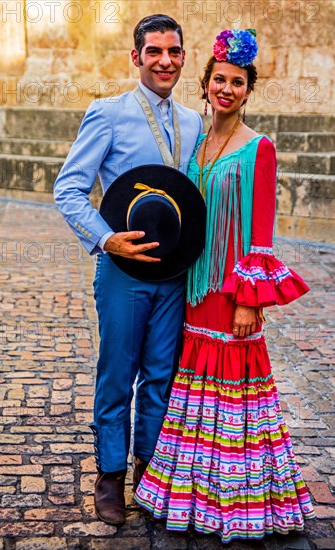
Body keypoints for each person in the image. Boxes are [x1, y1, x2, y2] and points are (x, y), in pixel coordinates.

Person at [135, 29, 315, 543]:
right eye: (220, 80)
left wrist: (247, 301)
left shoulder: (259, 148)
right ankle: (189, 496)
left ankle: (240, 503)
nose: (227, 89)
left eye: (237, 82)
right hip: (194, 285)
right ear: (206, 84)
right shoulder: (198, 142)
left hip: (231, 289)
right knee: (193, 388)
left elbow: (261, 234)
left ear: (248, 90)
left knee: (234, 392)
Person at [54, 14, 202, 526]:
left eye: (175, 51)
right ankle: (110, 477)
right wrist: (105, 238)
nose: (166, 60)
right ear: (136, 57)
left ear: (184, 57)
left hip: (175, 273)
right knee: (117, 376)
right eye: (155, 51)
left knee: (162, 377)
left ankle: (152, 476)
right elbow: (68, 188)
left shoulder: (194, 122)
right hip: (122, 271)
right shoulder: (108, 113)